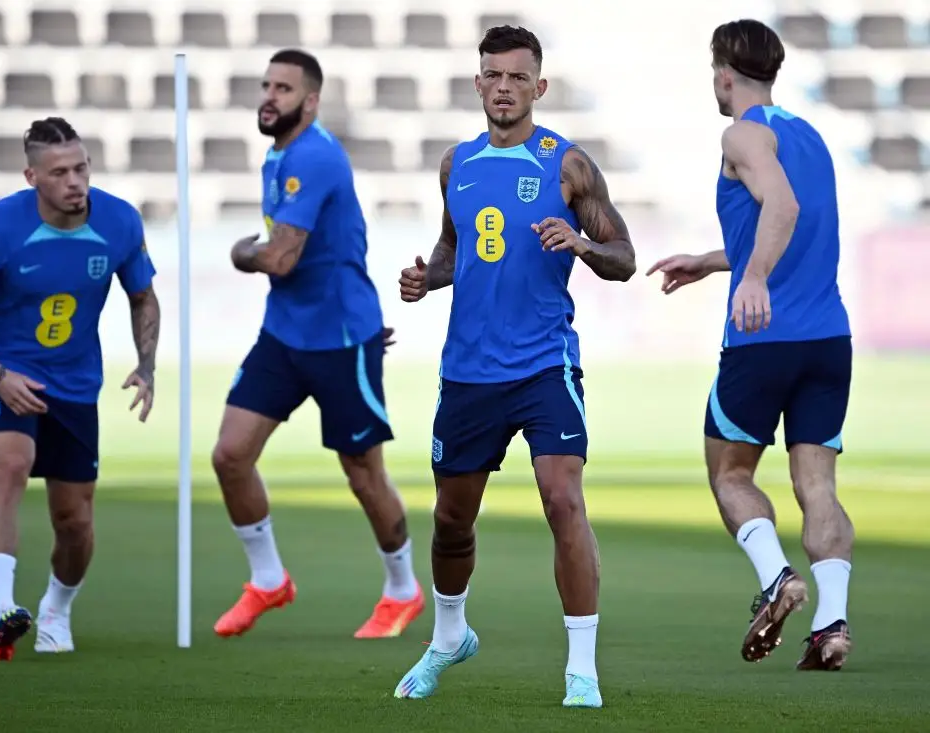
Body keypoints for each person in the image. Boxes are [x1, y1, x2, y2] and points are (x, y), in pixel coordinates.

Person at [393, 26, 636, 707]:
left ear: (539, 86)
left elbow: (624, 258)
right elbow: (455, 249)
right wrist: (428, 278)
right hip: (469, 371)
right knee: (451, 520)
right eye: (493, 76)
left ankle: (581, 671)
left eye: (518, 77)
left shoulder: (569, 166)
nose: (504, 87)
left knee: (562, 498)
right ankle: (449, 636)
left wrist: (582, 243)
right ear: (478, 83)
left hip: (543, 365)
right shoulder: (458, 164)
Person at [645, 19, 854, 672]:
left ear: (723, 75)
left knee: (731, 473)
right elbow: (789, 224)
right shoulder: (809, 136)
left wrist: (753, 277)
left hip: (764, 339)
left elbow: (781, 209)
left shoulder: (741, 133)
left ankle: (776, 580)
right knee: (816, 484)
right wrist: (714, 262)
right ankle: (831, 625)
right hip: (829, 338)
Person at [211, 49, 424, 640]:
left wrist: (241, 252)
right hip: (284, 333)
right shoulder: (278, 156)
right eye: (266, 85)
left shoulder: (314, 156)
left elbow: (280, 257)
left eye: (283, 88)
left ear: (310, 101)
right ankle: (268, 580)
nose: (269, 96)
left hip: (341, 339)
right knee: (230, 455)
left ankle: (402, 590)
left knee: (363, 474)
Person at [0, 117, 160, 661]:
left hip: (76, 383)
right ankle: (1, 611)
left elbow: (142, 297)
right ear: (31, 176)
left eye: (81, 168)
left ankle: (56, 610)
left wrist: (146, 365)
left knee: (74, 520)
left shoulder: (119, 222)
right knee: (10, 464)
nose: (74, 181)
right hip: (7, 372)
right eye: (59, 172)